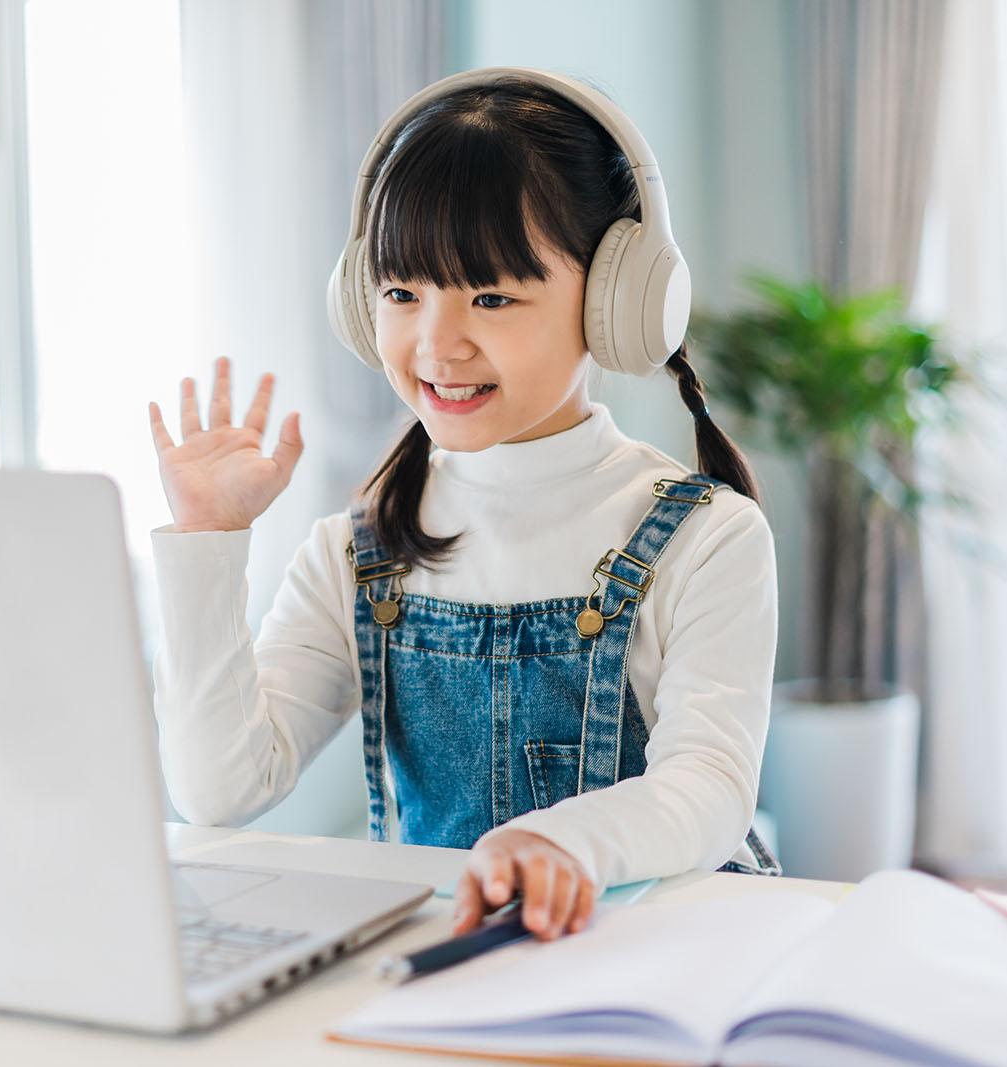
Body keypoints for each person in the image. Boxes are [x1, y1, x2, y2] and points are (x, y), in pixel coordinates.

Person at [146, 68, 779, 944]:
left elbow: (708, 788)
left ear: (614, 303)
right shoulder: (353, 553)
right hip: (458, 963)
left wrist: (559, 841)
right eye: (402, 293)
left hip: (656, 956)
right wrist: (208, 543)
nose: (436, 344)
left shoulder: (706, 538)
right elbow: (218, 788)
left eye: (491, 296)